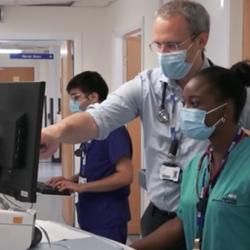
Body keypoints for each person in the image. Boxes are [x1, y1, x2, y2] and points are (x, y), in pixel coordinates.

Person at [40, 1, 250, 248]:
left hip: (214, 216)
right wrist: (54, 132)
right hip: (160, 215)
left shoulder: (230, 93)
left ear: (201, 41)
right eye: (158, 45)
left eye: (172, 45)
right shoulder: (147, 85)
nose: (163, 53)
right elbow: (98, 117)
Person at [132, 60, 250, 250]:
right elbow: (182, 221)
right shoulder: (198, 164)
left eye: (194, 103)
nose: (185, 112)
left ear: (225, 109)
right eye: (183, 103)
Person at [46, 71, 133, 244]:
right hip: (89, 212)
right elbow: (95, 168)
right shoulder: (91, 131)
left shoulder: (114, 130)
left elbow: (125, 176)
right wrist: (70, 180)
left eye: (76, 97)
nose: (72, 103)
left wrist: (82, 188)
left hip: (107, 216)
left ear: (93, 97)